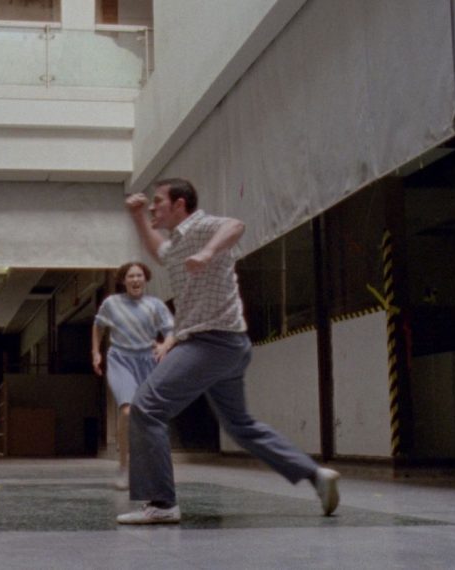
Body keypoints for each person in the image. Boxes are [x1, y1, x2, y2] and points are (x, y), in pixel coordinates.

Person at [116, 177, 340, 525]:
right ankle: (316, 475)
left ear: (179, 204)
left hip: (210, 341)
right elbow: (158, 251)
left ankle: (161, 503)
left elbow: (235, 225)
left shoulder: (201, 226)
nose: (152, 207)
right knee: (241, 426)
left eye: (157, 201)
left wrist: (208, 253)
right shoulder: (177, 242)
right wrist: (137, 218)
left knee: (146, 407)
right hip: (230, 345)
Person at [91, 261, 175, 490]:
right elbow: (98, 326)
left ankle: (149, 466)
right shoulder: (112, 303)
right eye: (131, 276)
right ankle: (123, 466)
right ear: (123, 280)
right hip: (120, 360)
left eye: (139, 276)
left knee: (148, 416)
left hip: (148, 362)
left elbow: (170, 331)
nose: (135, 280)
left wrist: (165, 346)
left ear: (145, 279)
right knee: (127, 411)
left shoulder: (155, 305)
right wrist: (95, 352)